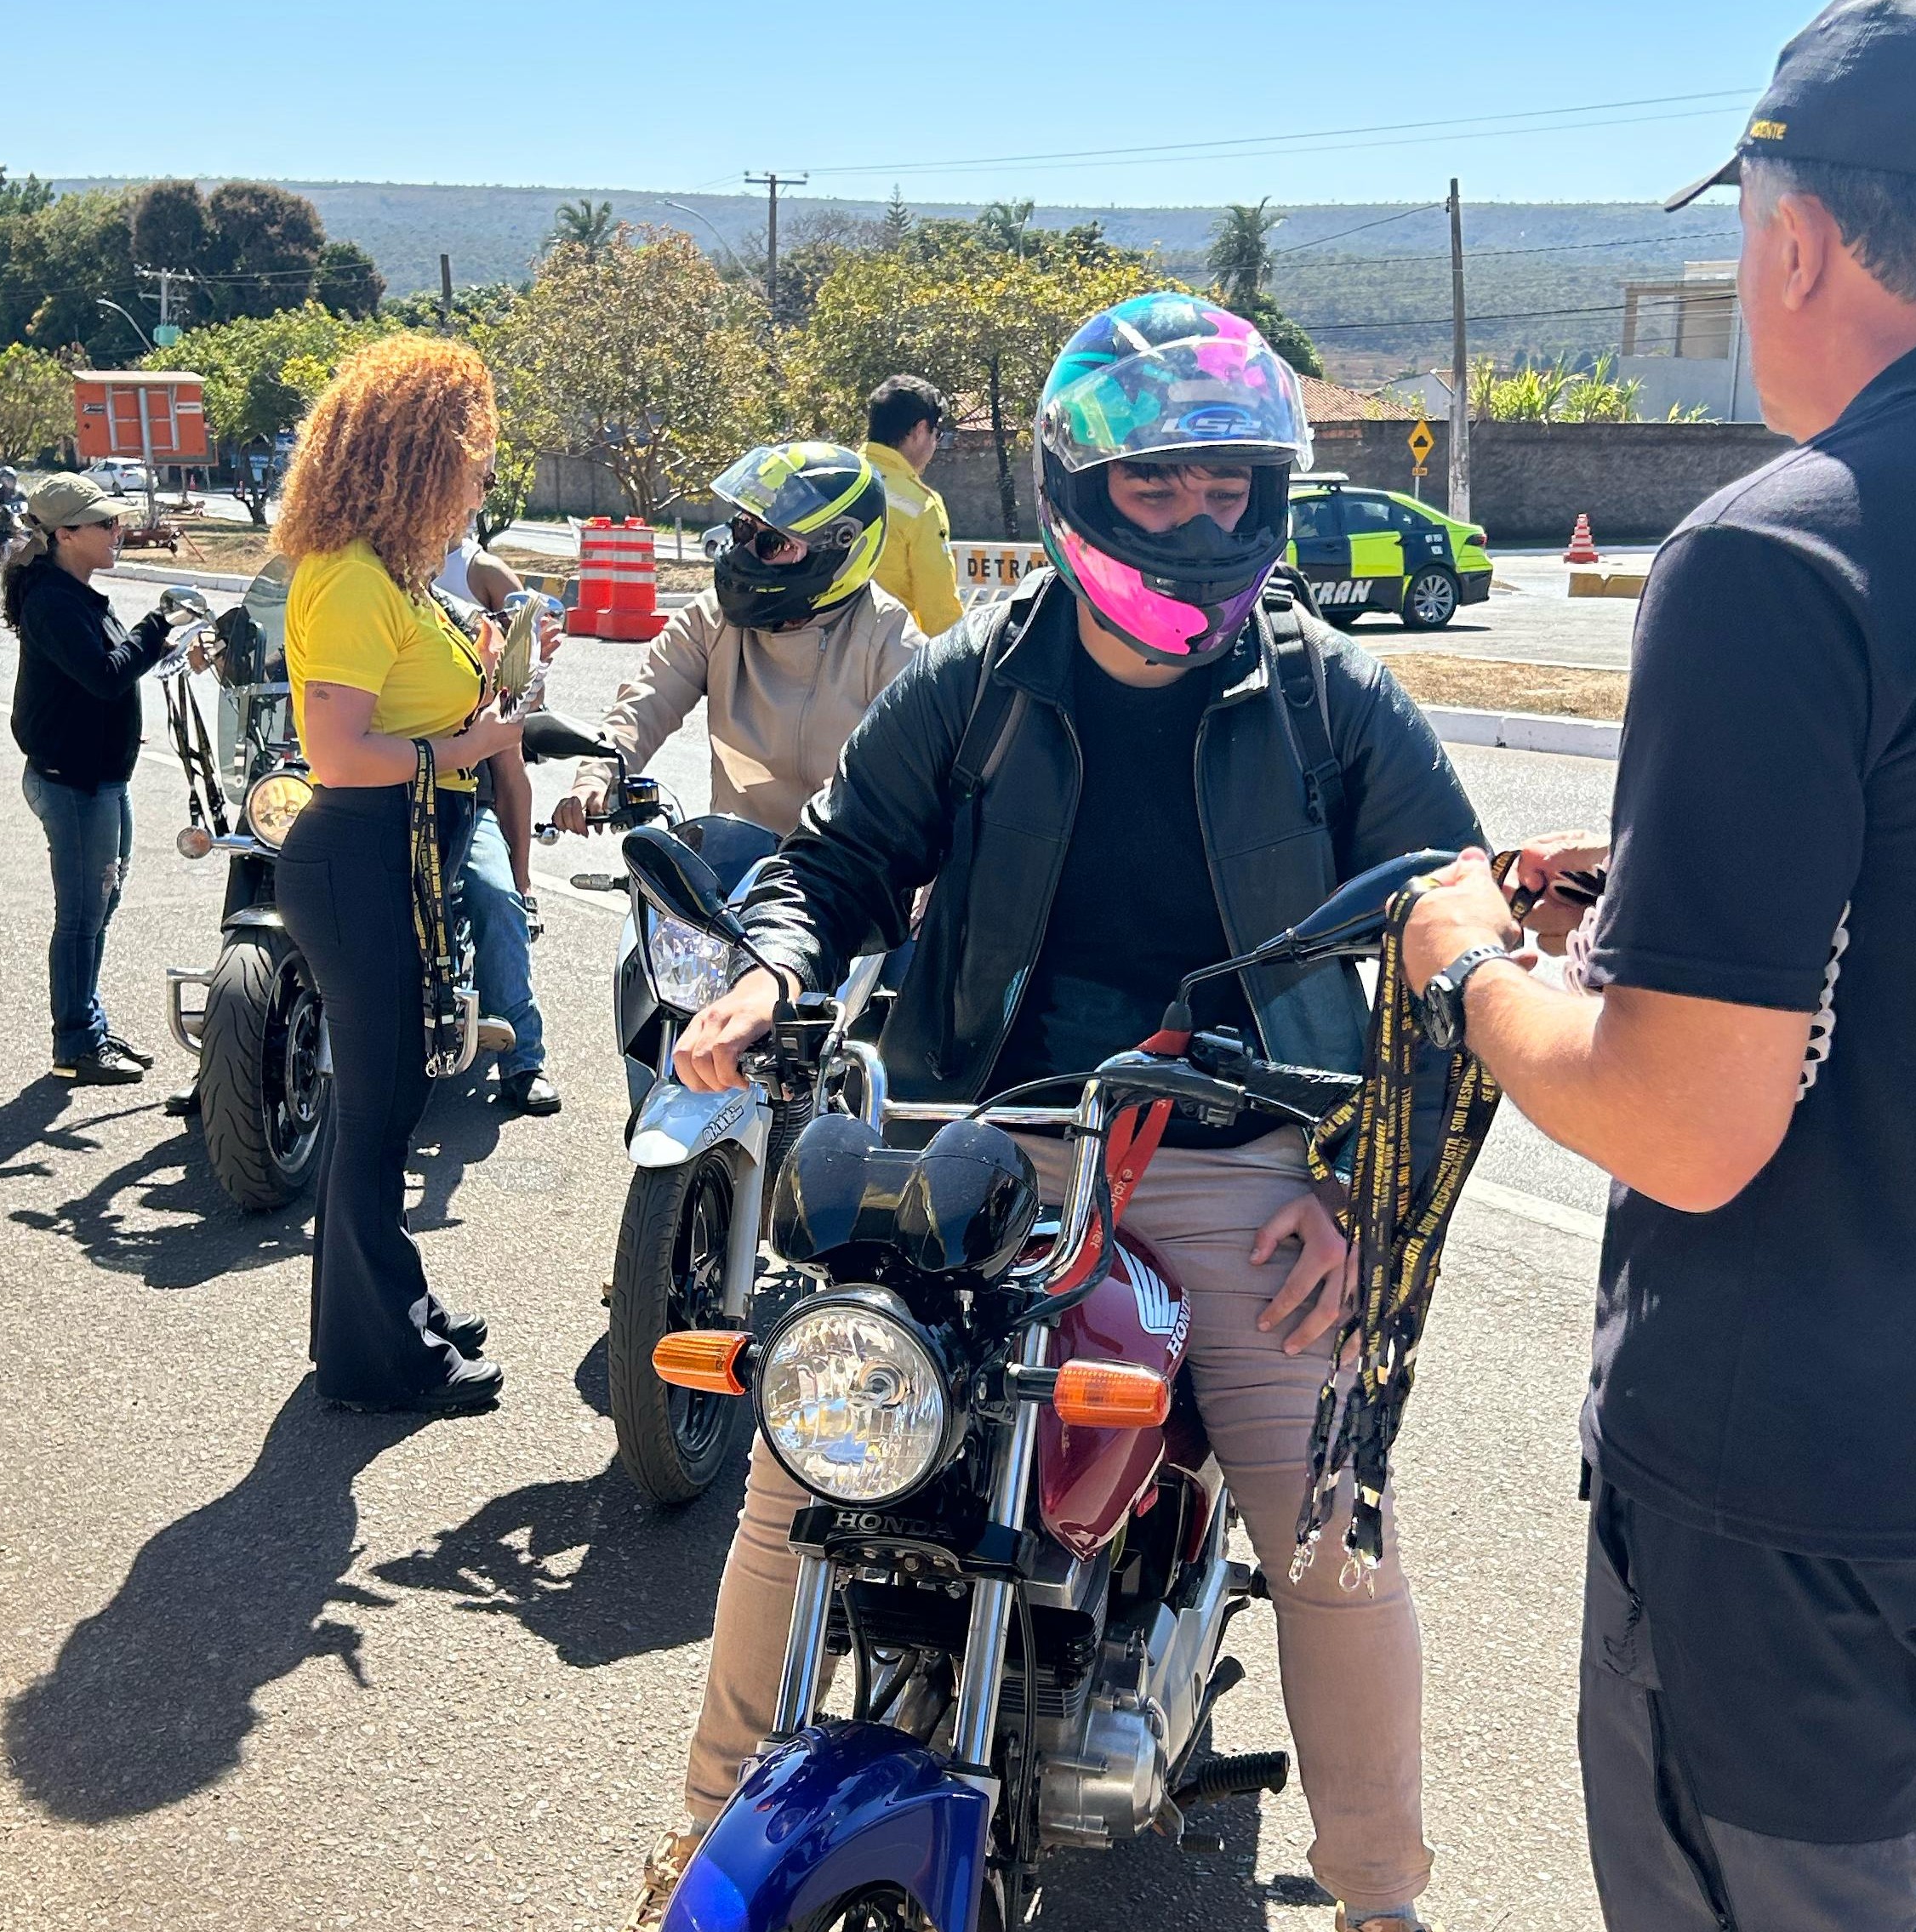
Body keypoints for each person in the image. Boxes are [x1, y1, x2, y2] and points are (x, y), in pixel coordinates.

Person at [1392, 6, 1916, 1928]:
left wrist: (1474, 964)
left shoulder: (1785, 551)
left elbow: (1683, 1124)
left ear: (1796, 236)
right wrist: (1677, 910)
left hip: (1797, 1492)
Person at [620, 295, 1485, 1932]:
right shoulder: (975, 678)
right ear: (1079, 488)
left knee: (1328, 1526)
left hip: (1246, 1155)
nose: (1198, 516)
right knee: (807, 1467)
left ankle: (1381, 1902)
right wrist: (770, 978)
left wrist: (1359, 1183)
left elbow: (1454, 932)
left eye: (1228, 484)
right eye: (1156, 486)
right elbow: (837, 860)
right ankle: (702, 1829)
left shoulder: (1329, 699)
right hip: (987, 1140)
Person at [273, 333, 524, 1416]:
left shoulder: (394, 578)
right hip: (359, 854)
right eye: (473, 461)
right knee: (378, 1114)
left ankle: (379, 1318)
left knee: (389, 1102)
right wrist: (463, 751)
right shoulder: (348, 580)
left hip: (397, 857)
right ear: (420, 459)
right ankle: (381, 1362)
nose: (482, 481)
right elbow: (339, 754)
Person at [551, 440, 922, 844]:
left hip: (843, 876)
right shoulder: (713, 619)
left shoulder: (891, 644)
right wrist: (597, 775)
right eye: (744, 529)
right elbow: (646, 701)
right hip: (732, 870)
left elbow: (920, 785)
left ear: (839, 551)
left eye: (772, 543)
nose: (744, 553)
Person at [5, 474, 204, 1085]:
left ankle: (87, 1022)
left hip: (97, 779)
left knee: (100, 905)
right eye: (105, 524)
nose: (119, 531)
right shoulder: (53, 602)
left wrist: (173, 646)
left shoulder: (74, 591)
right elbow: (104, 674)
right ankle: (75, 1043)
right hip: (76, 784)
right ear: (66, 534)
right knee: (82, 914)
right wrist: (158, 622)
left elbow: (112, 672)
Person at [434, 510, 562, 1115]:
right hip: (375, 784)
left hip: (465, 787)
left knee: (493, 893)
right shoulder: (358, 565)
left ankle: (523, 1058)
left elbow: (511, 744)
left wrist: (524, 877)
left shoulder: (479, 572)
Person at [860, 373, 964, 636]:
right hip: (889, 658)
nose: (934, 444)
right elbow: (939, 611)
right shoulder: (921, 506)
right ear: (919, 430)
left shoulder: (835, 478)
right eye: (936, 434)